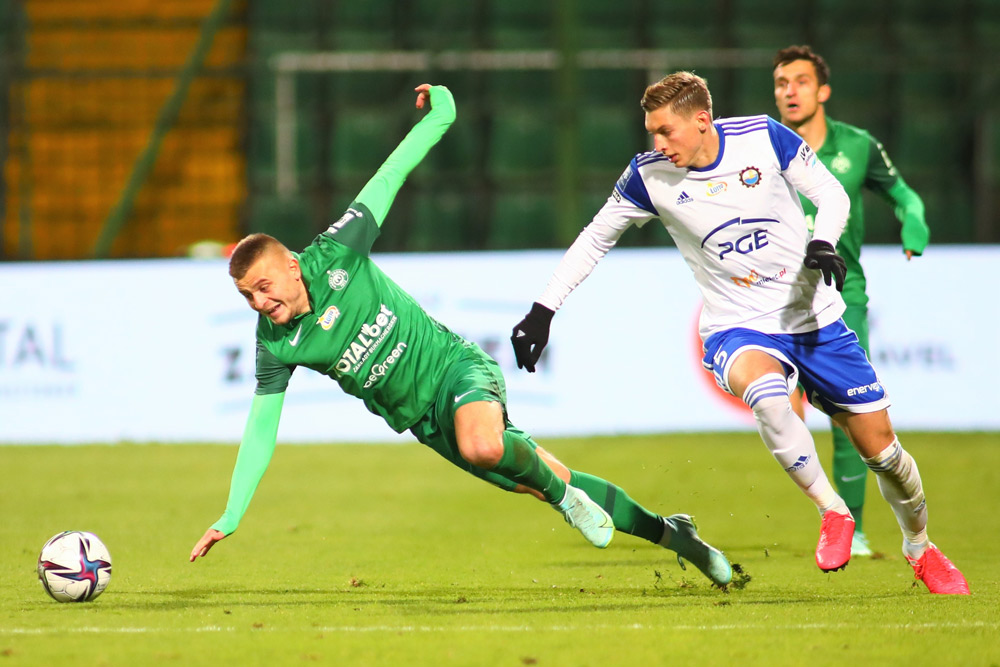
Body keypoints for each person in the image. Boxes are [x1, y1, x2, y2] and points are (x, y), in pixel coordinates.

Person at [189, 83, 733, 589]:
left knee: (487, 446)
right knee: (539, 471)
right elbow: (262, 427)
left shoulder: (339, 251)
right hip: (425, 422)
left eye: (263, 287)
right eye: (247, 298)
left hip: (456, 367)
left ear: (289, 264)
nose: (260, 303)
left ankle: (564, 499)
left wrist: (442, 113)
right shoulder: (275, 343)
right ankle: (672, 532)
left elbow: (392, 172)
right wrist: (232, 513)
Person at [510, 72, 967, 594]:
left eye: (666, 132)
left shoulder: (763, 138)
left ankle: (921, 548)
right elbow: (593, 241)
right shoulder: (649, 176)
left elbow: (833, 196)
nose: (657, 144)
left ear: (702, 120)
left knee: (883, 454)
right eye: (650, 133)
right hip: (737, 325)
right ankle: (833, 512)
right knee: (769, 397)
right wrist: (544, 308)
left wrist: (823, 242)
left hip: (811, 317)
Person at [773, 45, 930, 559]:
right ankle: (832, 513)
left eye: (799, 81)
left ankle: (856, 530)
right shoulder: (761, 151)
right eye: (780, 82)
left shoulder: (857, 146)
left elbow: (904, 194)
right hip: (771, 296)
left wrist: (913, 221)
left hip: (840, 295)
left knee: (847, 412)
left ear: (823, 91)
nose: (789, 91)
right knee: (778, 407)